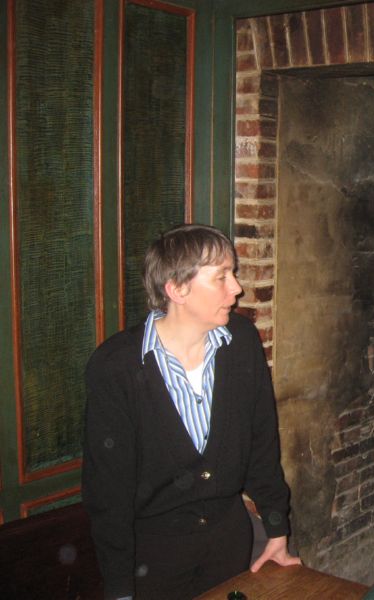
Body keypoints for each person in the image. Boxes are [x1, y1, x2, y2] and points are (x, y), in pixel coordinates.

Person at [82, 224, 300, 600]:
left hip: (228, 545)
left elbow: (262, 442)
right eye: (221, 276)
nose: (236, 288)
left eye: (233, 274)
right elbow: (108, 492)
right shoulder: (116, 366)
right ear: (177, 289)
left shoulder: (241, 343)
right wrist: (119, 589)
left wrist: (277, 527)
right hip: (153, 559)